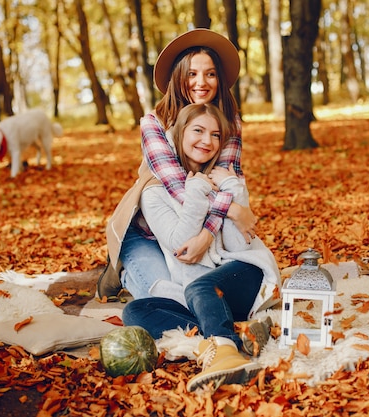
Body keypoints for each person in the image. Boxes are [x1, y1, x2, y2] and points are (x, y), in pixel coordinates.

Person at [121, 103, 281, 392]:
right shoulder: (153, 192)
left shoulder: (224, 179)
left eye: (216, 135)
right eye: (198, 131)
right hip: (202, 293)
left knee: (200, 289)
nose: (207, 141)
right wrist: (198, 193)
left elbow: (237, 243)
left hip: (243, 273)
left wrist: (231, 188)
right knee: (135, 312)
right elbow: (180, 244)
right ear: (180, 134)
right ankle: (225, 334)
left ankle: (226, 353)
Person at [99, 29, 257, 301]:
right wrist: (233, 210)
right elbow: (180, 190)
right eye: (192, 74)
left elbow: (229, 181)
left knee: (209, 292)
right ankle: (121, 272)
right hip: (150, 230)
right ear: (178, 77)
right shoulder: (154, 123)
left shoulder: (231, 125)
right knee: (171, 298)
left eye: (210, 73)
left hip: (200, 226)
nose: (201, 82)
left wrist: (206, 237)